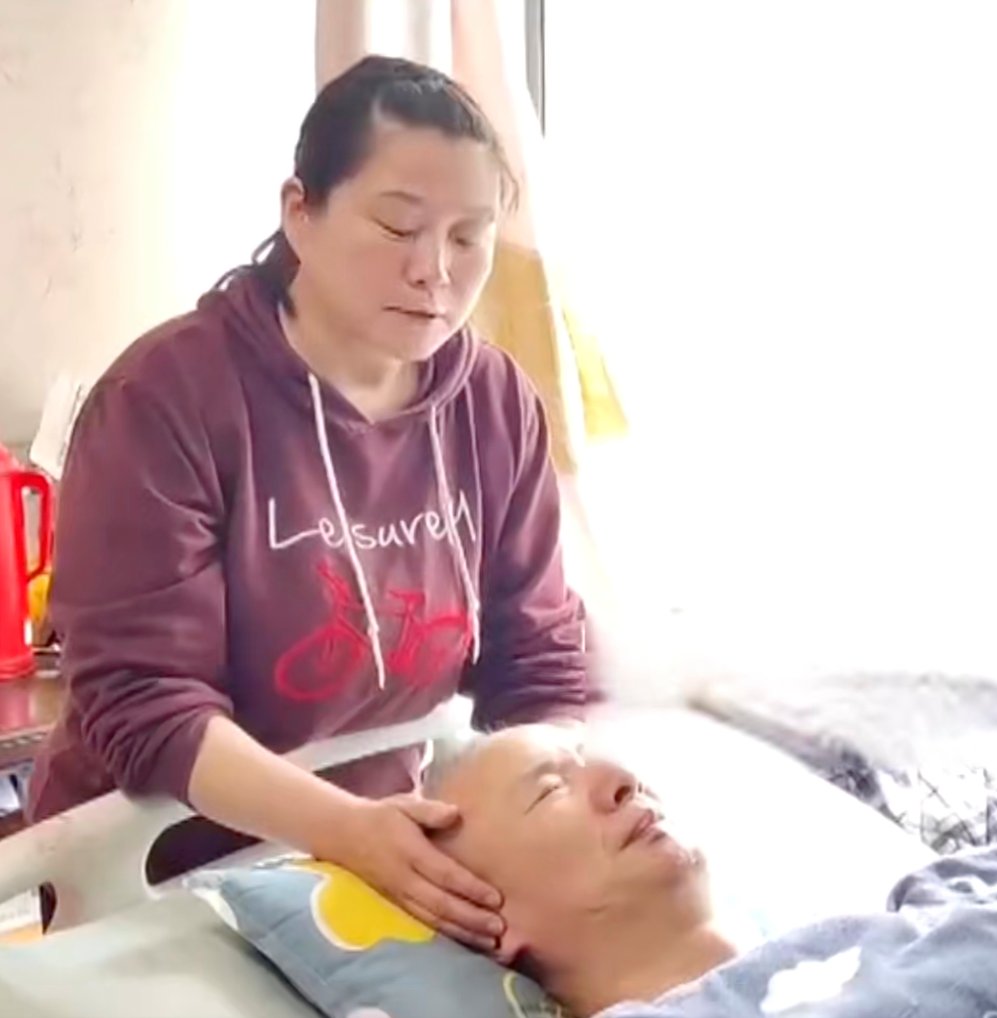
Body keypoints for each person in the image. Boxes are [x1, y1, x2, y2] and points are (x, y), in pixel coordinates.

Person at [27, 56, 590, 946]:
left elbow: (540, 658)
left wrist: (560, 811)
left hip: (375, 861)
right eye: (397, 226)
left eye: (468, 237)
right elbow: (147, 703)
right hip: (159, 874)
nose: (433, 271)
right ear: (301, 211)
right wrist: (343, 829)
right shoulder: (168, 399)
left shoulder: (495, 404)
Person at [429, 725, 997, 1017]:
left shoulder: (931, 899)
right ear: (485, 916)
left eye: (594, 757)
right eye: (549, 790)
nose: (623, 779)